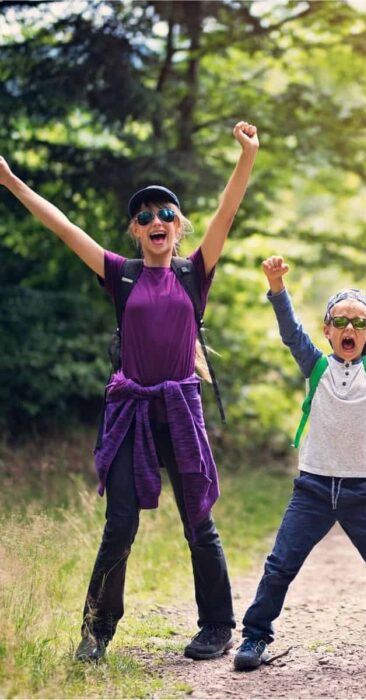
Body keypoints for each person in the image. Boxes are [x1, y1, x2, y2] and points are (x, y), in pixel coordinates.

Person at [0, 121, 259, 662]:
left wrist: (247, 156)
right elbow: (65, 228)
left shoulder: (195, 273)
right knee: (120, 524)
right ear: (135, 232)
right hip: (131, 411)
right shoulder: (119, 274)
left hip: (181, 409)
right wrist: (11, 182)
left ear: (179, 227)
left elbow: (227, 212)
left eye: (165, 213)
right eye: (145, 216)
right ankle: (95, 633)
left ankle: (217, 626)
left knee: (198, 522)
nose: (156, 220)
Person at [232, 254, 366, 671]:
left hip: (362, 491)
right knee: (280, 565)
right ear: (328, 330)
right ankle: (255, 637)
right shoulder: (315, 366)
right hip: (313, 488)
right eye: (341, 321)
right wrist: (277, 286)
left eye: (358, 323)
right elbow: (290, 332)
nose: (349, 329)